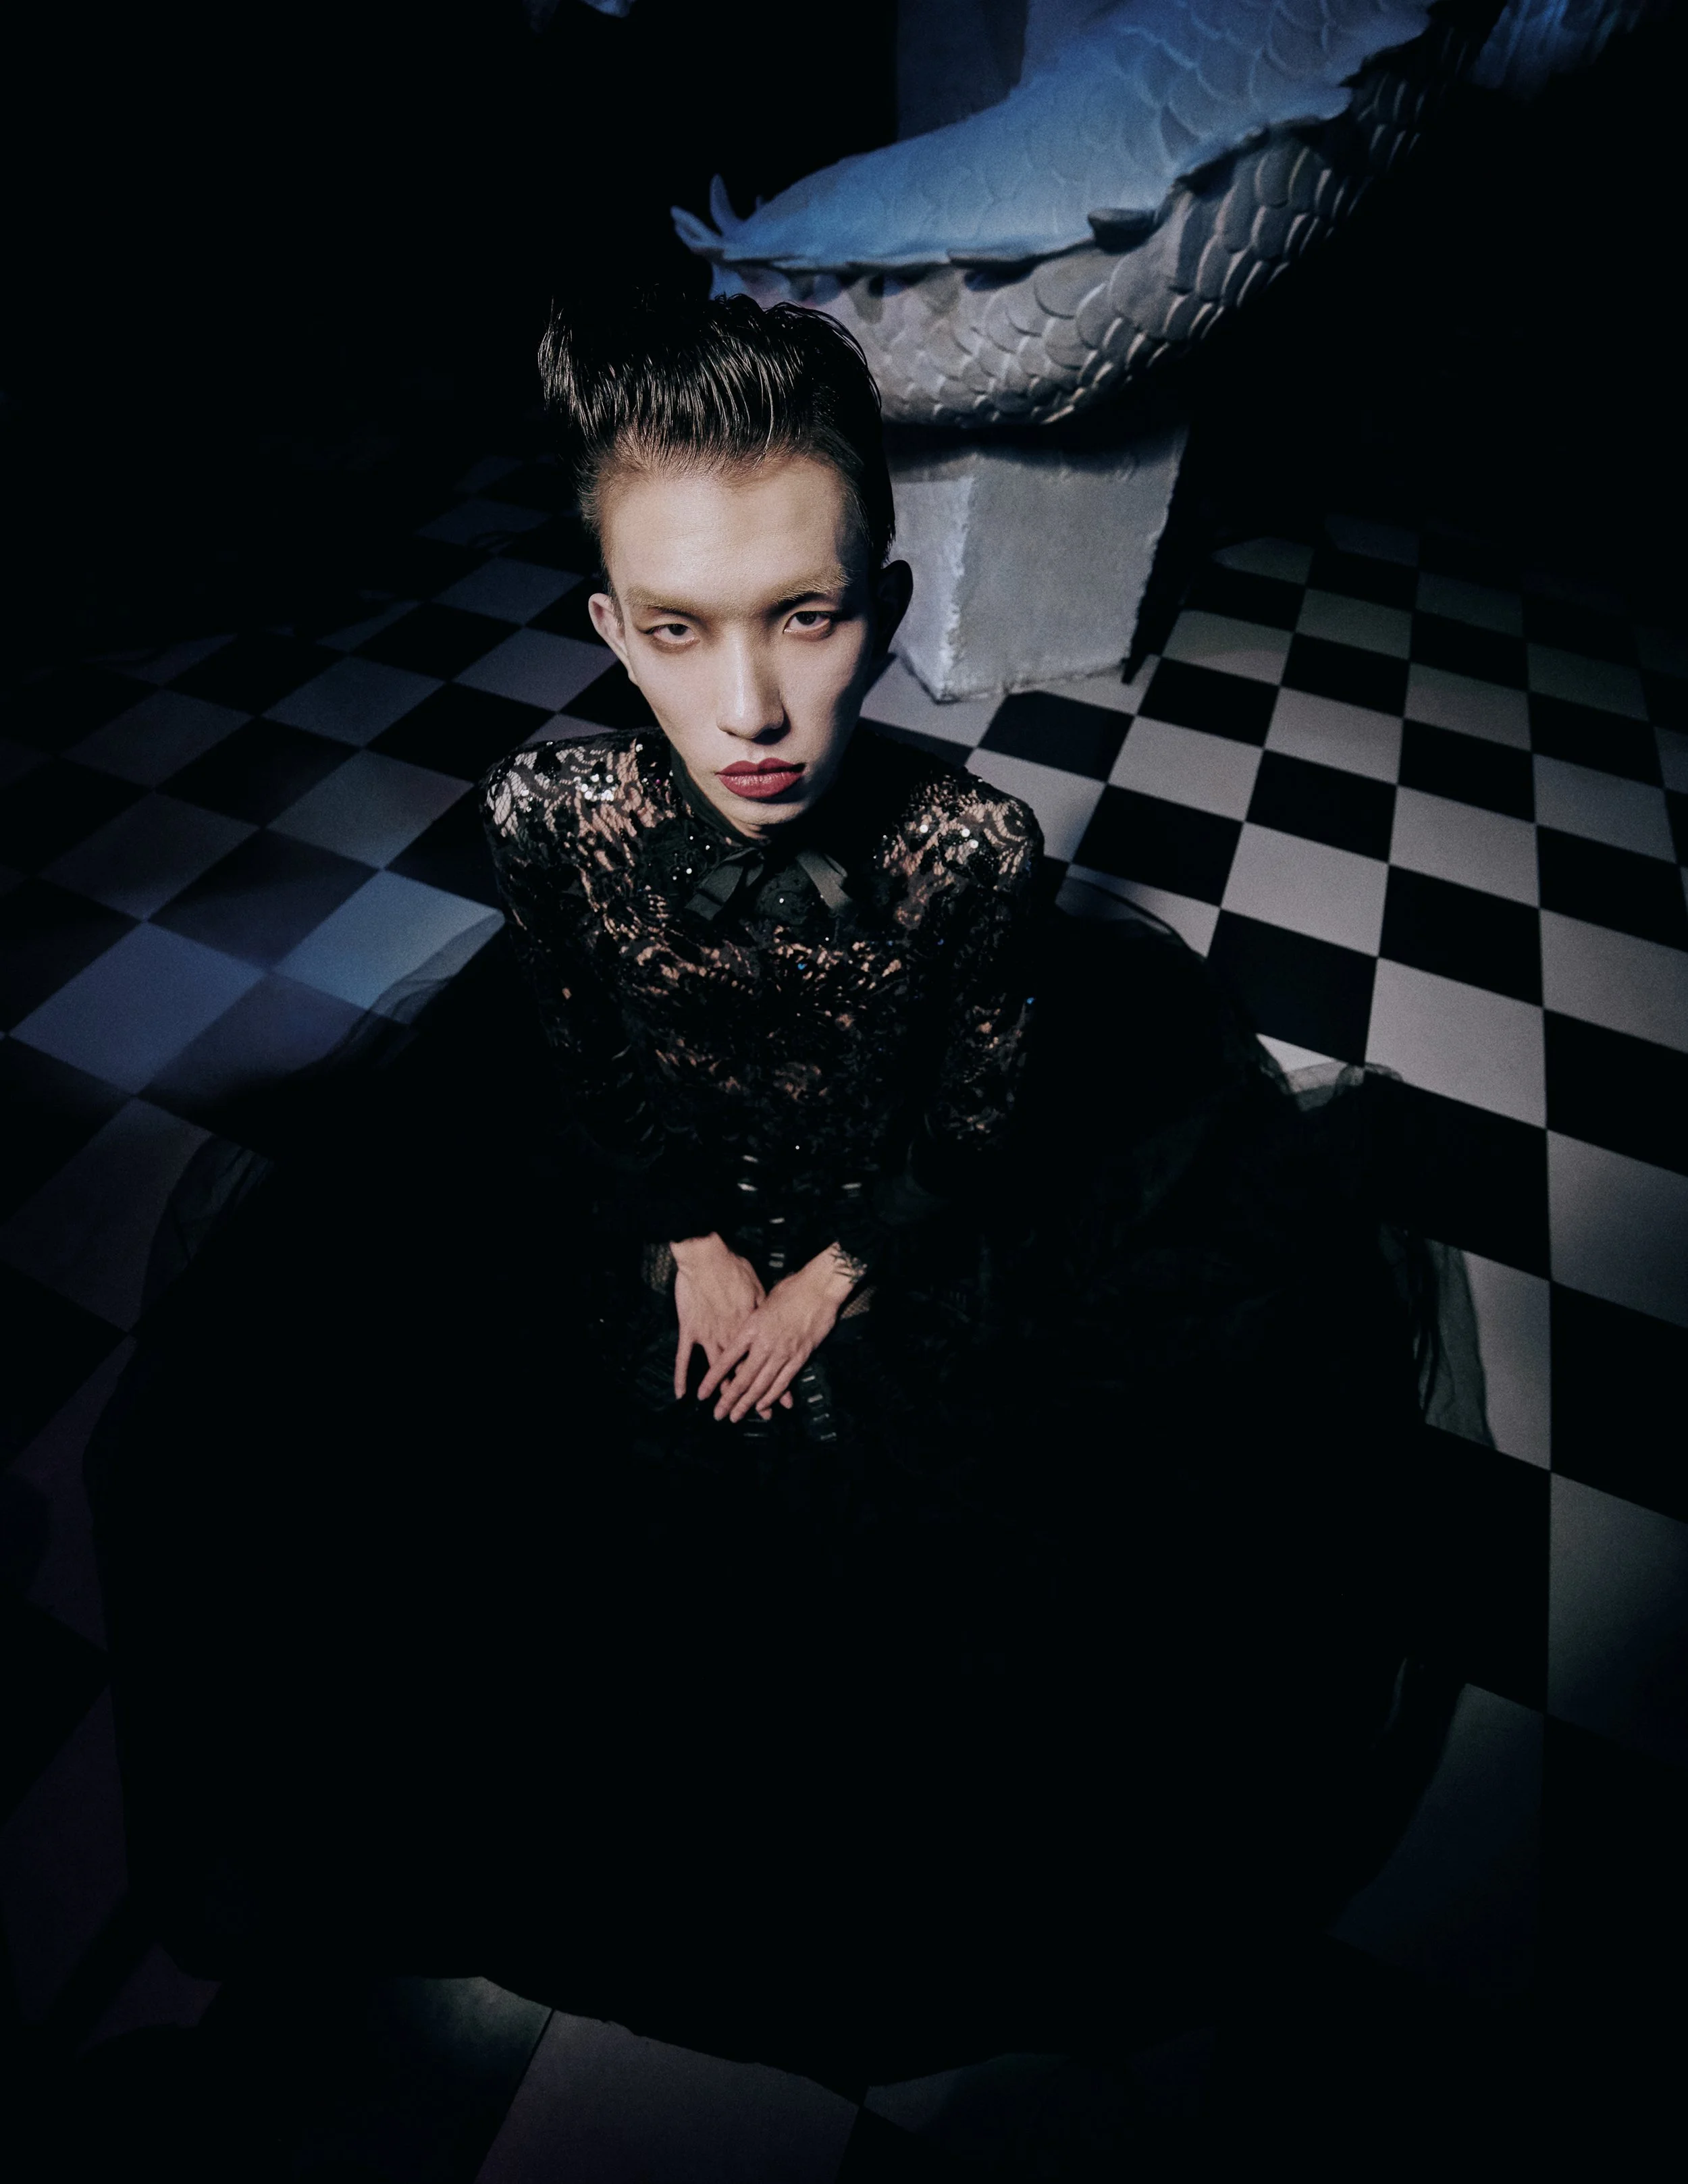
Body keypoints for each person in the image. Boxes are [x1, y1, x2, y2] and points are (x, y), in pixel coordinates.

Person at [87, 294, 1477, 2121]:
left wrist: (824, 1280)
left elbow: (974, 1127)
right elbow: (582, 1060)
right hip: (649, 1198)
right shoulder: (553, 817)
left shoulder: (970, 855)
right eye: (676, 628)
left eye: (803, 616)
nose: (747, 708)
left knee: (990, 1647)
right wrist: (686, 1243)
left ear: (881, 611)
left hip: (889, 1226)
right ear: (611, 626)